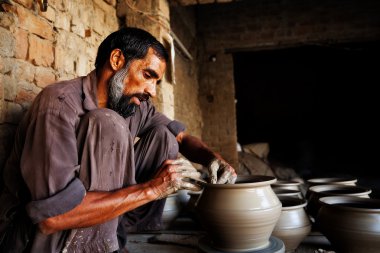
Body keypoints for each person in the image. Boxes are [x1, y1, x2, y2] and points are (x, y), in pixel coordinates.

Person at [0, 27, 237, 253]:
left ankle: (125, 232)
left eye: (156, 82)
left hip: (103, 220)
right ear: (116, 61)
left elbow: (182, 137)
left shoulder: (134, 105)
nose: (152, 91)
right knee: (108, 123)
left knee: (164, 137)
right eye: (148, 75)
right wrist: (153, 189)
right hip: (36, 237)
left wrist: (212, 159)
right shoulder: (58, 106)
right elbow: (51, 218)